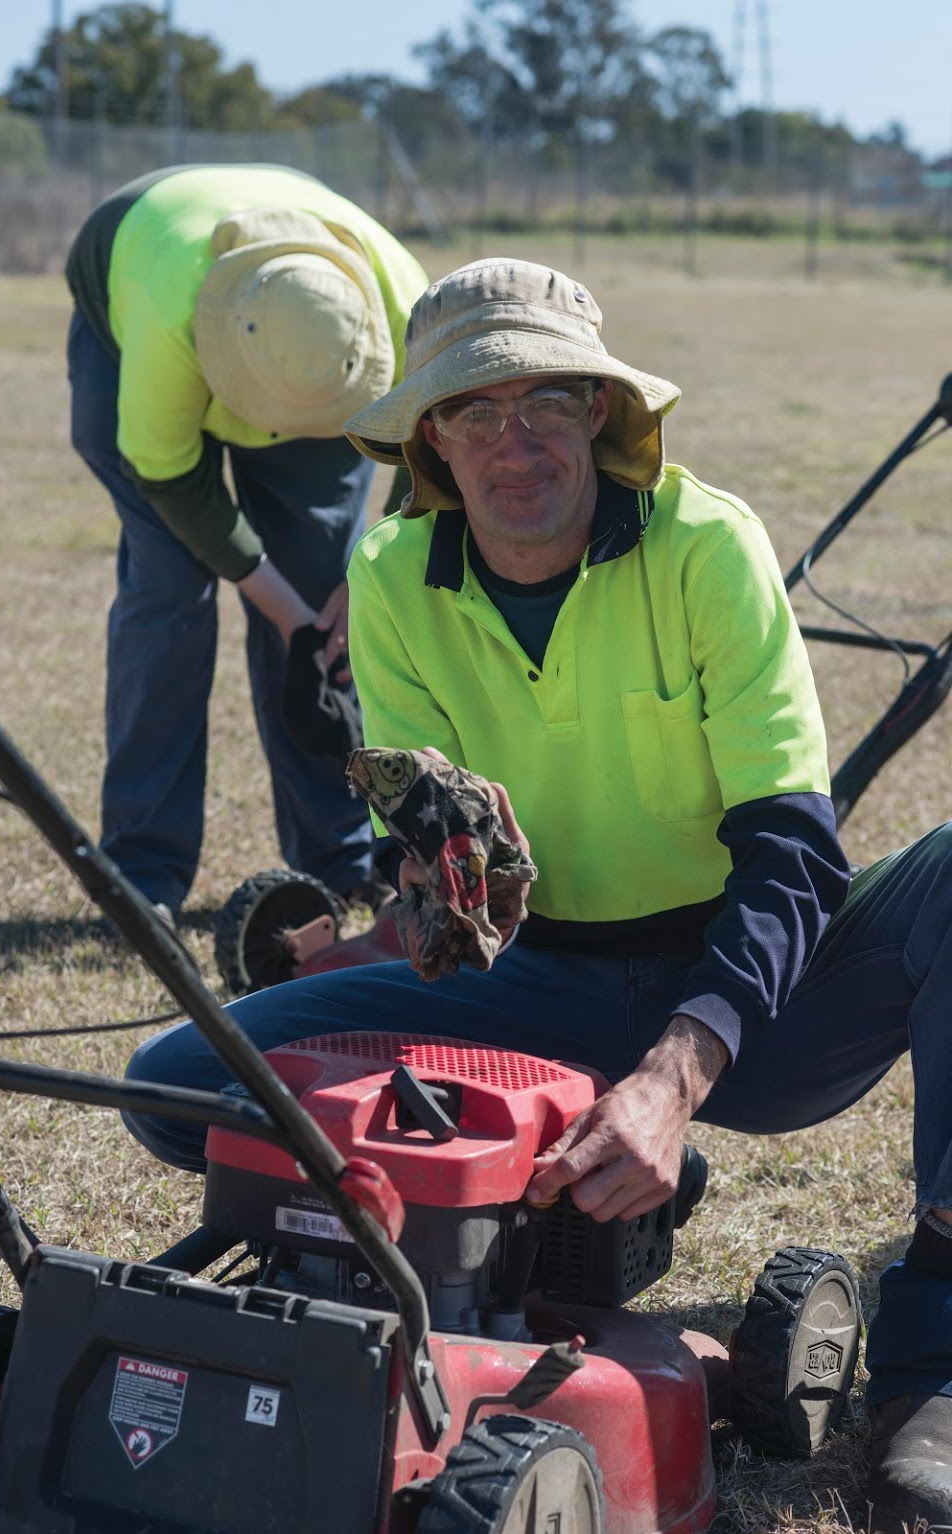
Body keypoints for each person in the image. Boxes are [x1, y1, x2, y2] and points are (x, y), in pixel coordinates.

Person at [122, 257, 952, 1531]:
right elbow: (457, 873)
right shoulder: (393, 578)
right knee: (181, 1088)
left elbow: (792, 853)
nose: (517, 442)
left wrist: (673, 1078)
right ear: (431, 442)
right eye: (475, 410)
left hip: (760, 991)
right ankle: (494, 1275)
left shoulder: (706, 545)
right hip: (531, 991)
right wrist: (367, 943)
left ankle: (931, 1357)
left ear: (603, 417)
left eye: (551, 402)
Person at [66, 163, 429, 921]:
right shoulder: (170, 318)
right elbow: (165, 472)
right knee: (169, 590)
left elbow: (433, 454)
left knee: (327, 613)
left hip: (318, 355)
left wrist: (363, 584)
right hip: (131, 278)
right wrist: (284, 608)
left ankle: (341, 860)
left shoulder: (407, 305)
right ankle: (142, 873)